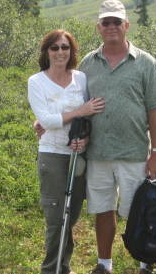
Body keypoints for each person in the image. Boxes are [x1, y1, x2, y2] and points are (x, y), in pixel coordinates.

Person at [35, 0, 156, 274]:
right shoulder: (88, 63)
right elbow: (77, 102)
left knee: (137, 211)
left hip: (134, 152)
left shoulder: (146, 63)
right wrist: (46, 121)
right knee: (103, 209)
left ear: (126, 25)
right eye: (106, 22)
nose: (111, 27)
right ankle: (104, 265)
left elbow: (155, 112)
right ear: (98, 27)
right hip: (96, 153)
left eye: (116, 22)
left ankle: (145, 263)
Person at [28, 29, 105, 274]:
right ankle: (51, 270)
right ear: (46, 52)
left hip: (77, 154)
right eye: (55, 47)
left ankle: (64, 266)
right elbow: (48, 120)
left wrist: (86, 139)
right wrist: (78, 112)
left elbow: (92, 116)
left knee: (70, 215)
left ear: (71, 51)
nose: (60, 52)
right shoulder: (36, 81)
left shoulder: (81, 78)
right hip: (52, 154)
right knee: (55, 217)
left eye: (65, 47)